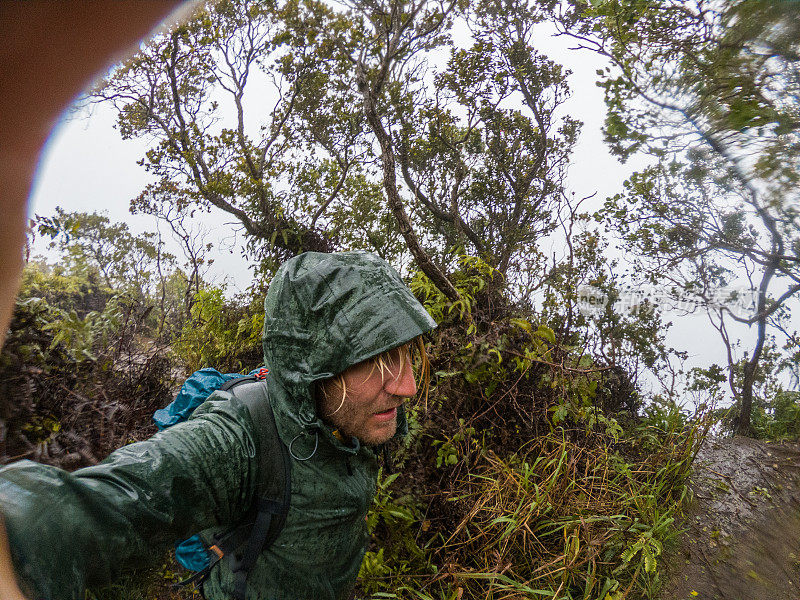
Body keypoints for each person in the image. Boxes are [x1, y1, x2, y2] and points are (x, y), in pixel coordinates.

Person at [0, 250, 437, 599]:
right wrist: (15, 535)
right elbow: (116, 498)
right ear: (314, 370)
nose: (408, 386)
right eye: (377, 363)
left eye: (405, 356)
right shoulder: (239, 440)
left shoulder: (357, 418)